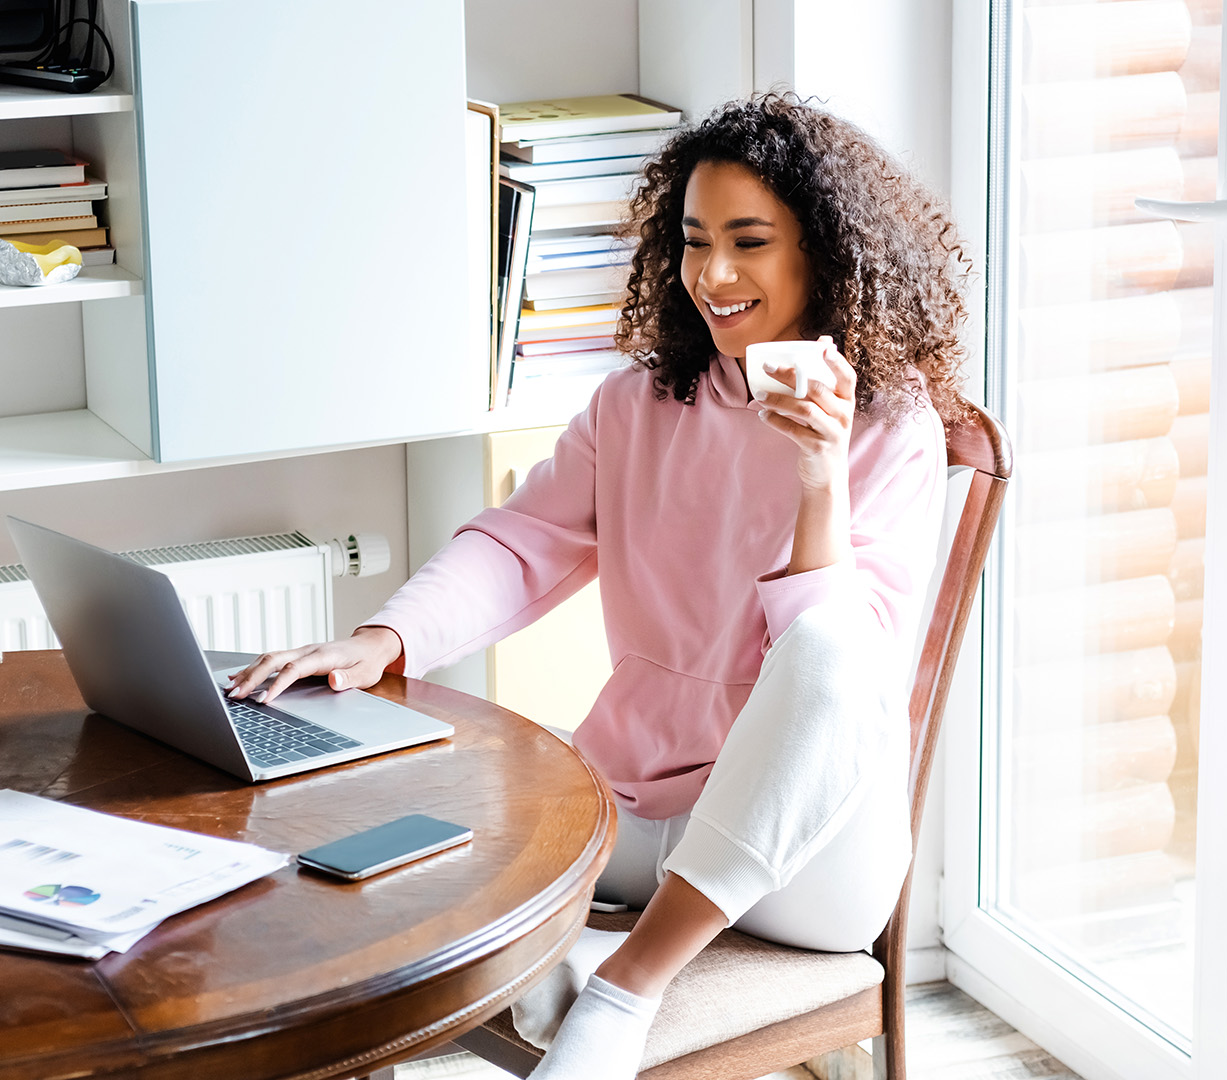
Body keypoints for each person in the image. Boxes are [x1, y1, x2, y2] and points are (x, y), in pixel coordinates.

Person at [229, 93, 973, 1080]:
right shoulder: (636, 406)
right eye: (693, 240)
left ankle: (627, 985)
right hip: (632, 808)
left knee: (832, 646)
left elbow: (842, 669)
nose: (713, 274)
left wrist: (818, 477)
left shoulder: (891, 424)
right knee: (370, 875)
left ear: (822, 253)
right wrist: (386, 639)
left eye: (749, 242)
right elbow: (521, 539)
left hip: (804, 859)